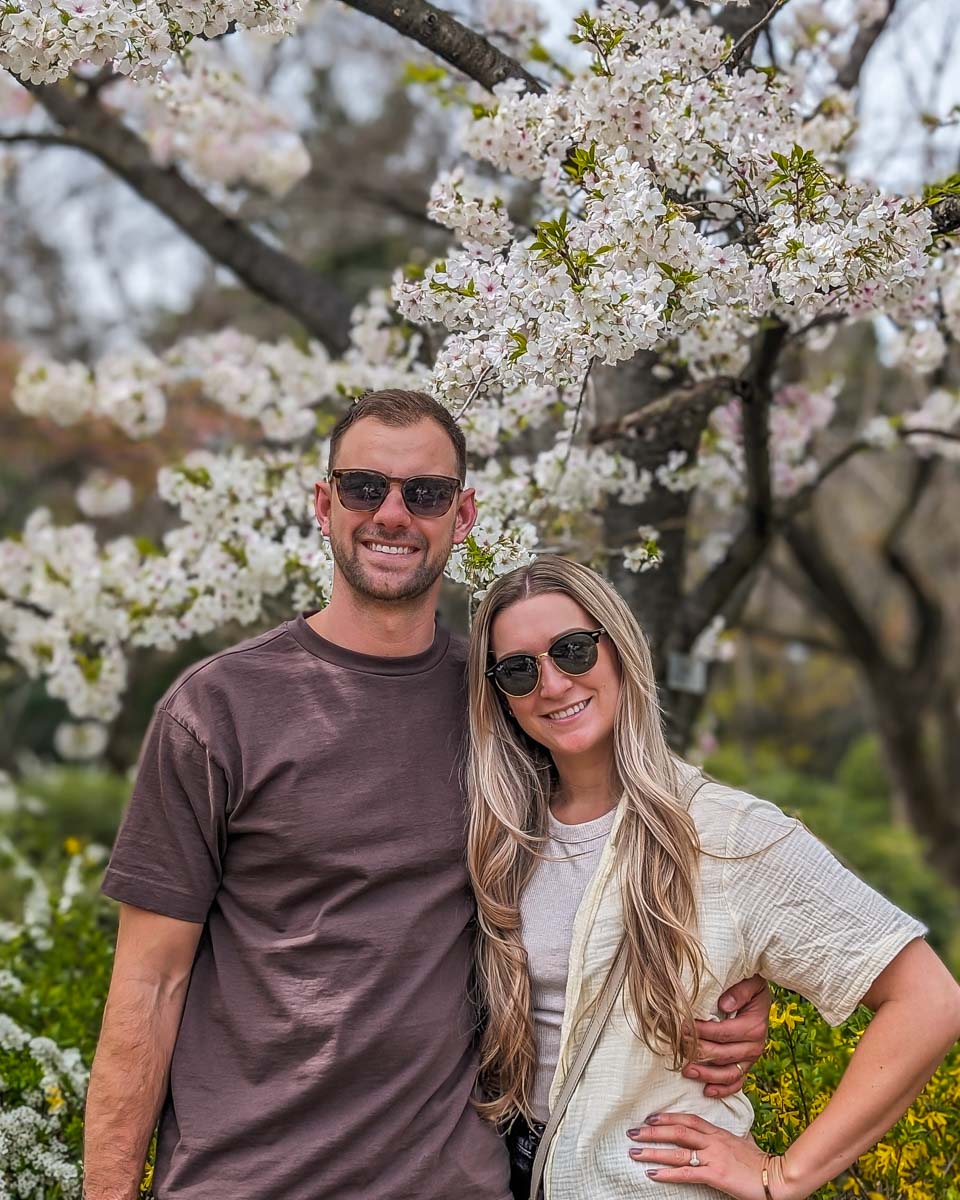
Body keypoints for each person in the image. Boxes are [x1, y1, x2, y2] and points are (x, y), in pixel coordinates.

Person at [85, 391, 772, 1200]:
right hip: (245, 1179)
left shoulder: (510, 702)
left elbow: (620, 852)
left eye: (426, 493)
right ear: (324, 503)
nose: (393, 514)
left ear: (464, 513)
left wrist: (729, 988)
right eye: (364, 487)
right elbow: (148, 985)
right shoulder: (217, 711)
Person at [466, 554, 960, 1200]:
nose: (553, 684)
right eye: (519, 670)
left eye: (574, 651)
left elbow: (929, 999)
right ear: (499, 694)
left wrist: (785, 1174)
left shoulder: (728, 835)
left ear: (620, 651)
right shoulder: (499, 835)